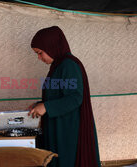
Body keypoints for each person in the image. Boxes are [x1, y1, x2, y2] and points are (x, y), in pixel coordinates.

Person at [28, 26, 101, 167]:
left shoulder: (69, 65)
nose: (39, 58)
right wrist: (39, 105)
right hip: (58, 126)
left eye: (40, 53)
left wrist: (46, 107)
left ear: (52, 46)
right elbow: (58, 95)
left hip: (68, 130)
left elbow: (75, 97)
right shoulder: (58, 67)